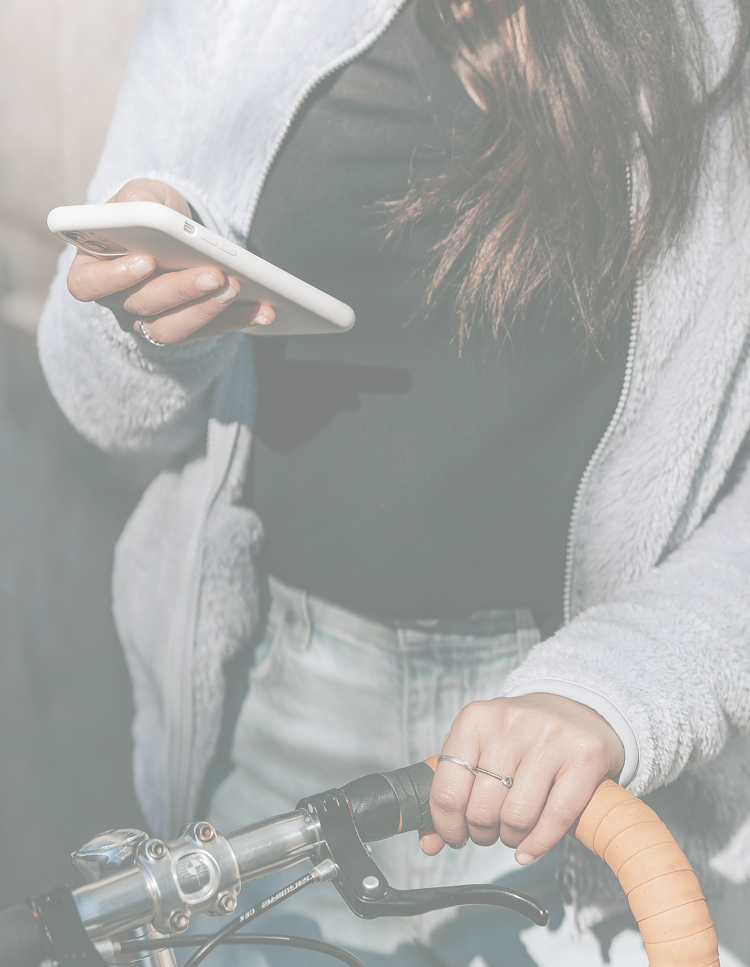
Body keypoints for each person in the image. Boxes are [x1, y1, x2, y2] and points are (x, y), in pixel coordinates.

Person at [39, 0, 750, 962]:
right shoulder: (227, 16)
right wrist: (140, 328)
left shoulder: (719, 43)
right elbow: (101, 409)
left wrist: (610, 692)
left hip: (575, 760)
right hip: (277, 703)